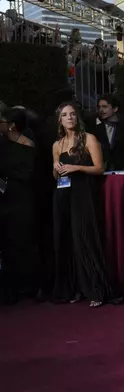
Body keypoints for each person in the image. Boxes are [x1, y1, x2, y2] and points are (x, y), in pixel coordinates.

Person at [51, 102, 124, 308]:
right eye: (65, 115)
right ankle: (73, 289)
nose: (70, 118)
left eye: (73, 114)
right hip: (62, 195)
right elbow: (55, 174)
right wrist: (56, 168)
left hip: (83, 194)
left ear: (78, 117)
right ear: (60, 120)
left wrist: (75, 167)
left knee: (85, 238)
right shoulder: (57, 145)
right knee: (65, 240)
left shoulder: (89, 139)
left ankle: (97, 289)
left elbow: (99, 168)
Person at [0, 108, 38, 304]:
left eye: (3, 122)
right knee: (7, 243)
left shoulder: (28, 146)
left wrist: (8, 174)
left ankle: (26, 286)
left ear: (12, 125)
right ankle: (10, 287)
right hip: (5, 200)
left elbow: (28, 174)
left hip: (22, 199)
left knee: (22, 241)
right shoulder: (2, 144)